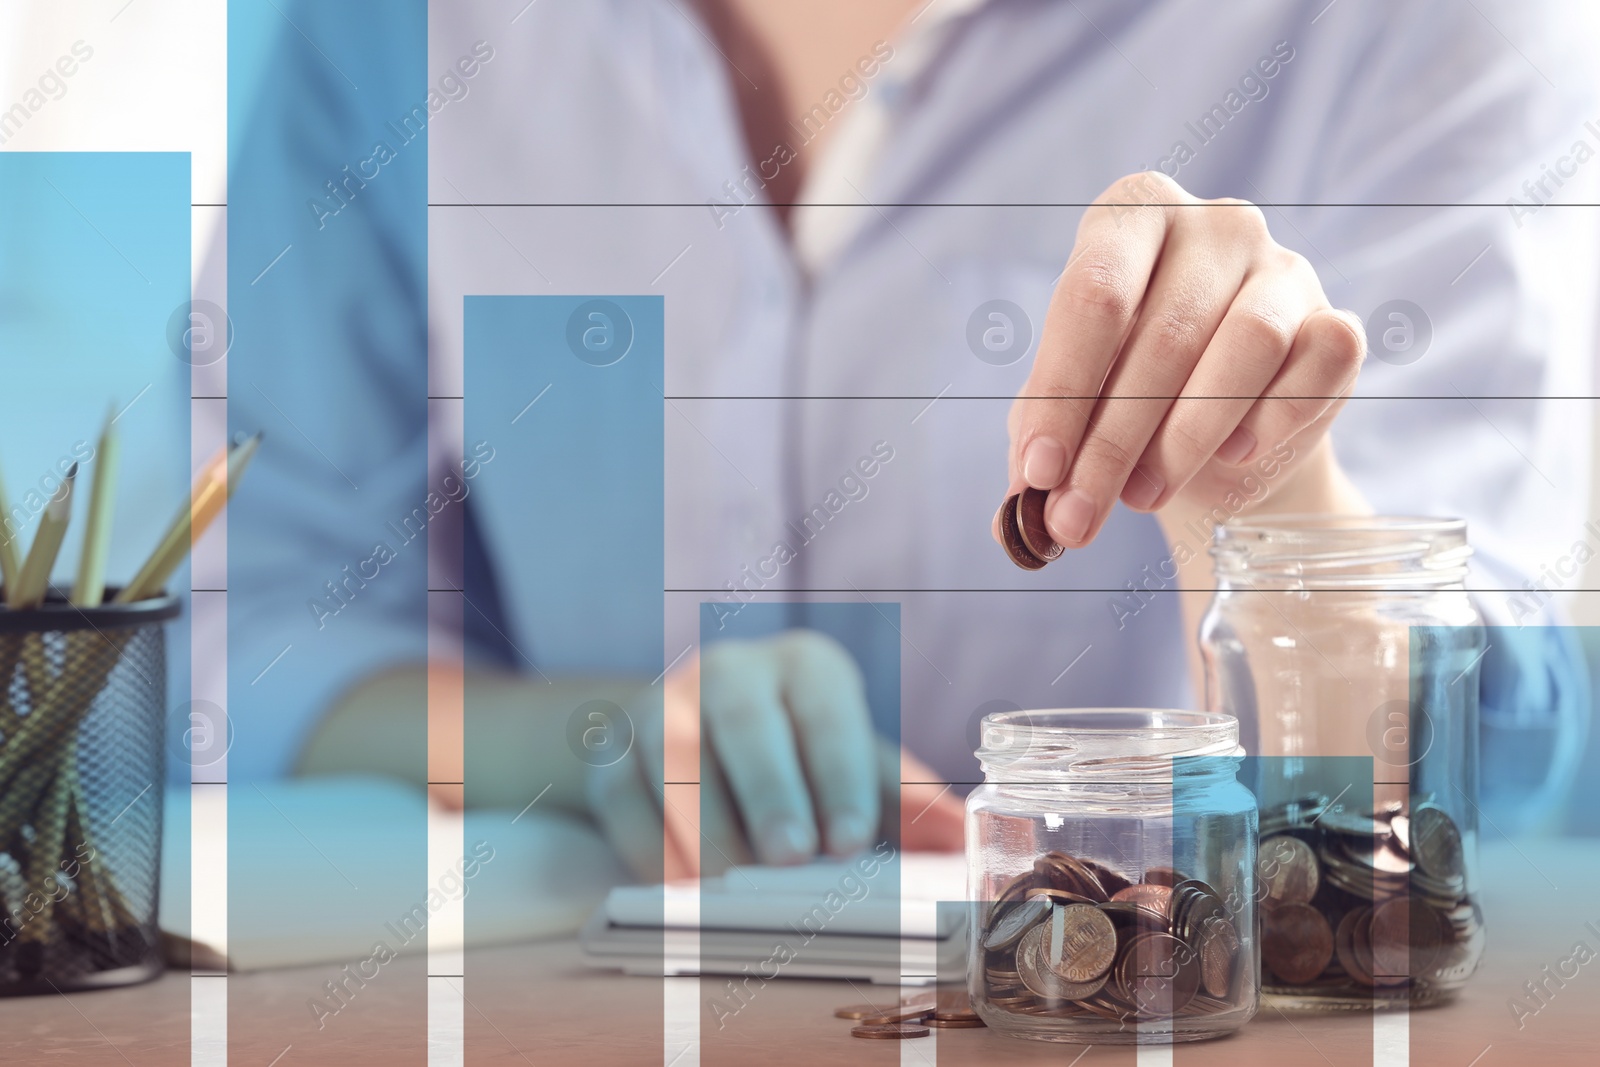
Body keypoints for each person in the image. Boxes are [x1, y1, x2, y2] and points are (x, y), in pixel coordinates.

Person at [227, 0, 1600, 884]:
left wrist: (1272, 500)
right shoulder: (377, 35)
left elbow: (1482, 760)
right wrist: (586, 744)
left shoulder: (1432, 26)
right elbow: (262, 620)